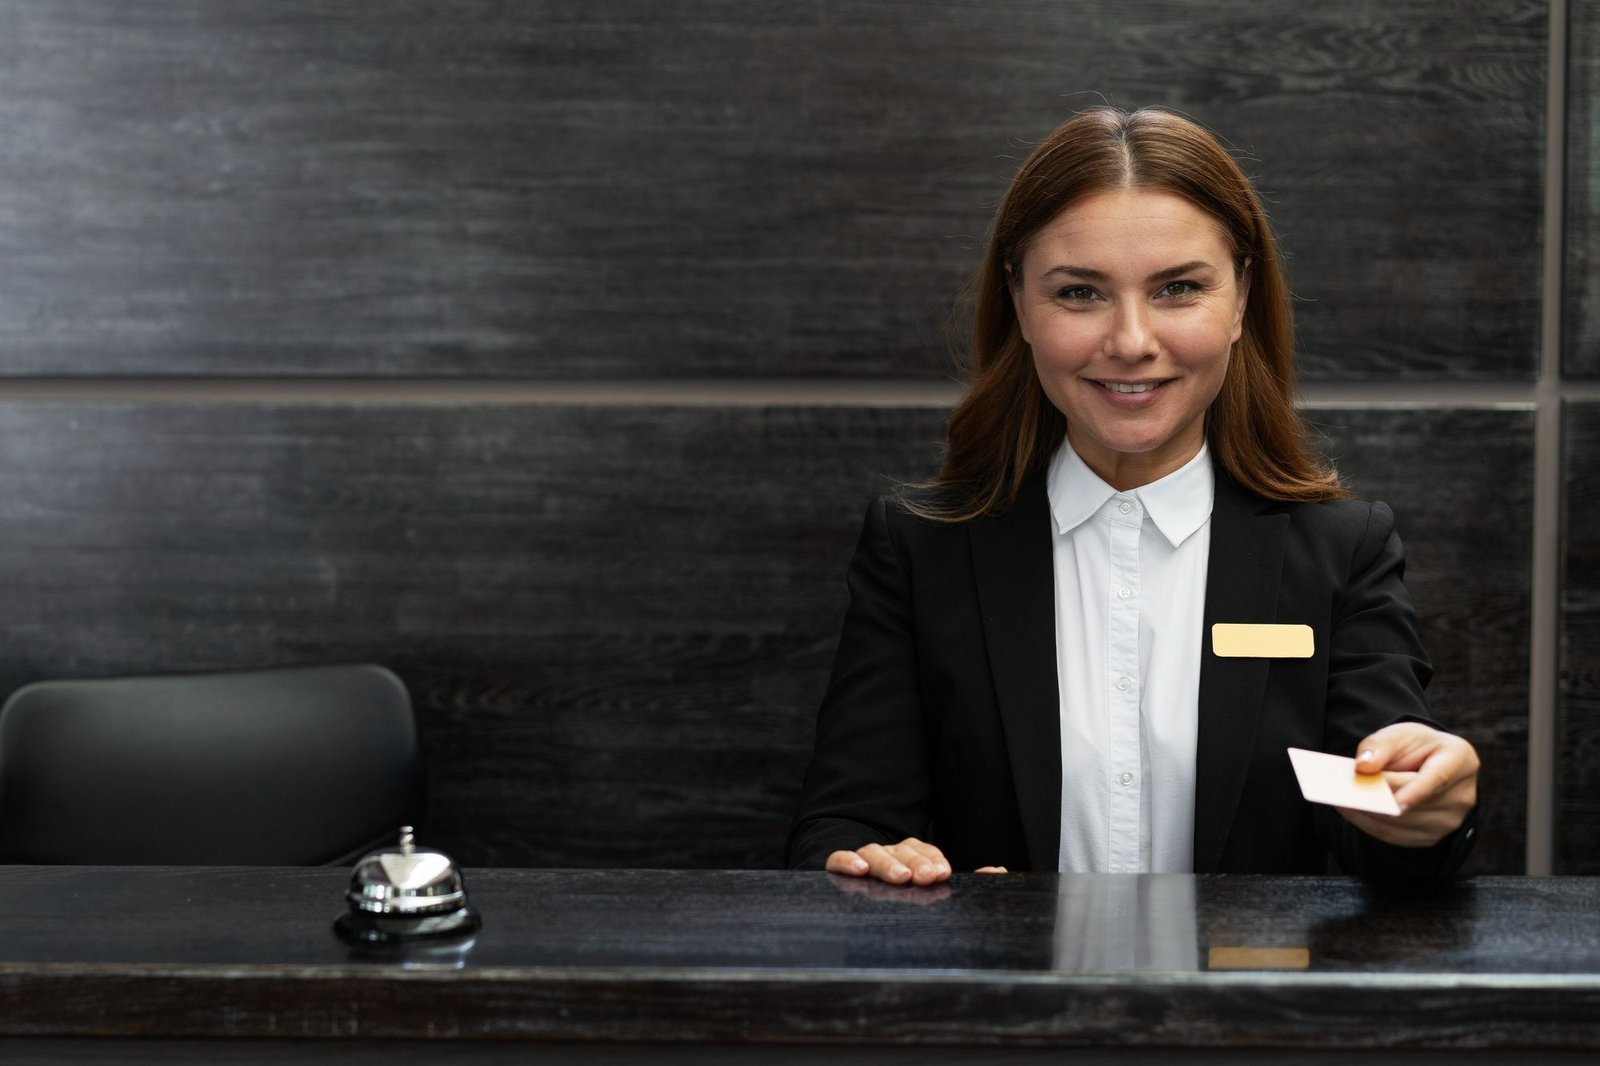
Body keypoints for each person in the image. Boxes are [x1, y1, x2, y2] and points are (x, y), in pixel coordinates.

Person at [786, 106, 1480, 883]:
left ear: (1242, 296)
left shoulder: (1340, 552)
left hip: (1252, 1006)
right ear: (1018, 301)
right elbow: (844, 826)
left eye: (1179, 288)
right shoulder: (921, 550)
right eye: (1080, 293)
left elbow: (1382, 812)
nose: (1131, 341)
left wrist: (1421, 813)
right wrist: (889, 876)